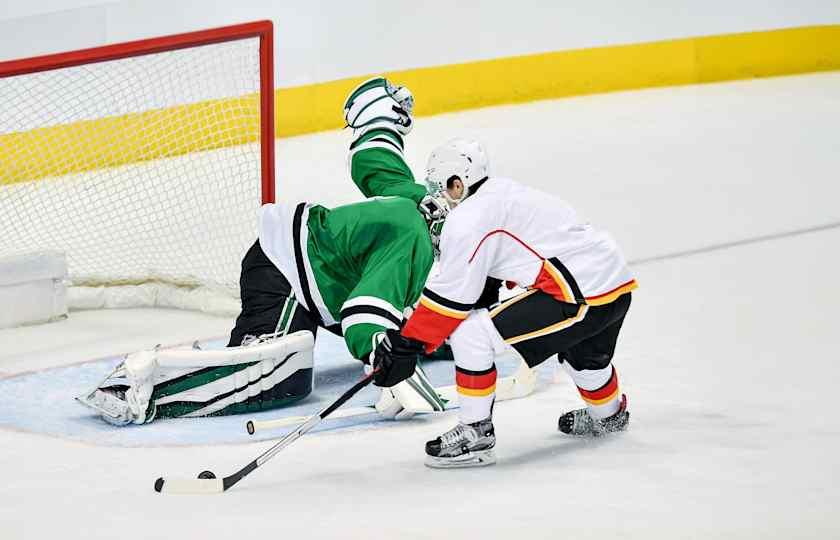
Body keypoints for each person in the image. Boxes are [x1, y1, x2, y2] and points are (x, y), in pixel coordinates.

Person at [77, 78, 449, 426]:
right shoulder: (413, 237)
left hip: (313, 277)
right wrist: (378, 351)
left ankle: (186, 365)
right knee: (279, 376)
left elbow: (375, 162)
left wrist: (380, 117)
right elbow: (363, 312)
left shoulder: (416, 200)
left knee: (411, 331)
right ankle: (141, 384)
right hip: (285, 275)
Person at [370, 138, 638, 468]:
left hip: (578, 293)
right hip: (613, 280)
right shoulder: (504, 192)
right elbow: (496, 267)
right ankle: (609, 416)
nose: (439, 196)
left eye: (440, 187)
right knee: (583, 356)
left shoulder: (468, 217)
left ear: (458, 183)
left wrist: (406, 342)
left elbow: (452, 299)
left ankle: (475, 435)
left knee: (471, 334)